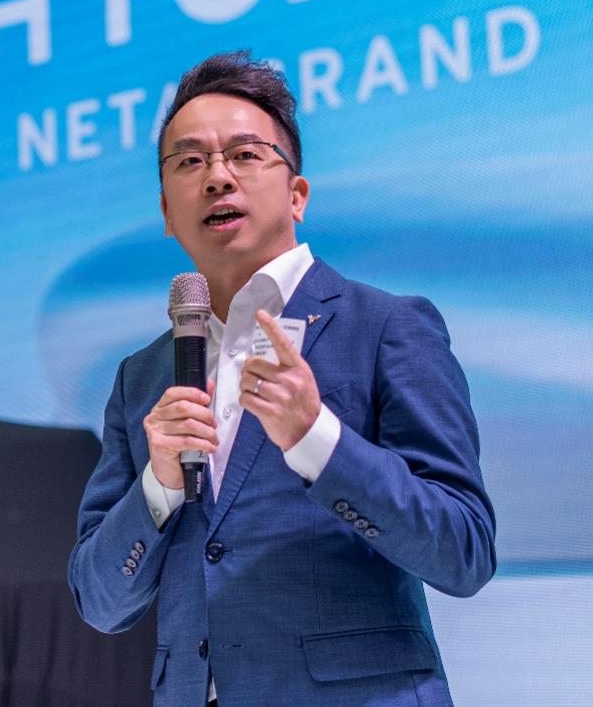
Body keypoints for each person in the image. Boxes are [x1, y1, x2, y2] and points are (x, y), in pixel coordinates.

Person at [67, 52, 496, 706]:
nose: (217, 177)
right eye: (189, 161)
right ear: (166, 211)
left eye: (244, 155)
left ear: (297, 195)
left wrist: (318, 439)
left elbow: (464, 551)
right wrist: (159, 484)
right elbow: (100, 602)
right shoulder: (143, 377)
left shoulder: (385, 327)